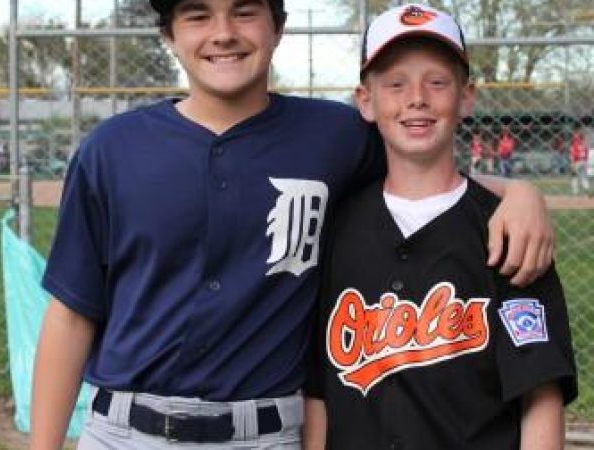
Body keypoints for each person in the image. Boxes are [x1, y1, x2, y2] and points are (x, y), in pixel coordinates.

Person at [30, 1, 555, 449]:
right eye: (197, 15)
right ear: (169, 34)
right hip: (126, 431)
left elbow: (422, 160)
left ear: (278, 27)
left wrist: (520, 193)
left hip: (266, 432)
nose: (223, 33)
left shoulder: (334, 135)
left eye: (245, 11)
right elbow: (72, 315)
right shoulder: (113, 149)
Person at [304, 4, 577, 450]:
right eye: (395, 84)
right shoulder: (337, 225)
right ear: (366, 101)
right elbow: (319, 388)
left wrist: (520, 193)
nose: (417, 98)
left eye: (437, 82)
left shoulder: (508, 229)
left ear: (466, 97)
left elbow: (540, 392)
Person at [569, 123, 591, 195]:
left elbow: (573, 152)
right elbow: (586, 151)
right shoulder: (583, 142)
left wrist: (572, 162)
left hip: (577, 160)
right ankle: (587, 189)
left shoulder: (575, 141)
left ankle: (575, 191)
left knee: (574, 175)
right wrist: (585, 160)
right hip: (584, 161)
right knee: (583, 176)